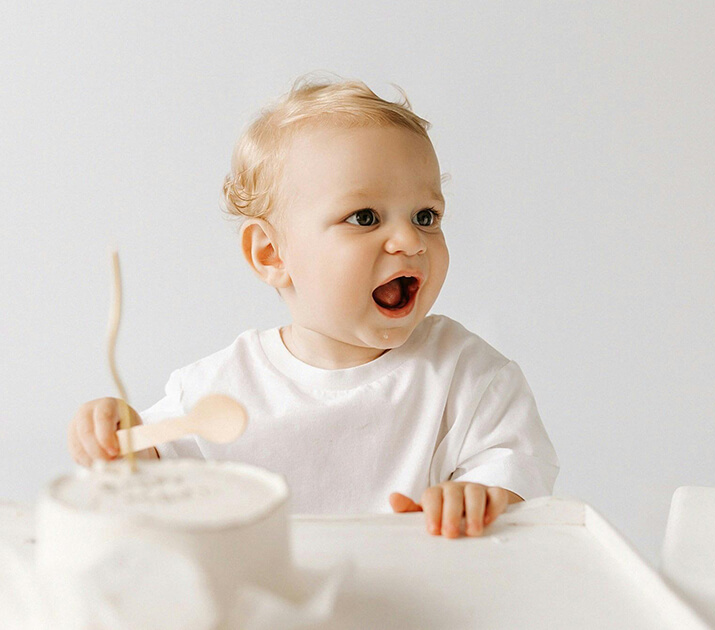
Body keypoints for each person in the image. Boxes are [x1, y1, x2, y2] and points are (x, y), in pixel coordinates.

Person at [67, 74, 558, 539]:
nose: (410, 240)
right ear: (272, 254)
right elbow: (148, 478)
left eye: (425, 215)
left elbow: (519, 471)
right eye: (365, 217)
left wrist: (483, 497)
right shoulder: (218, 393)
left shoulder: (467, 378)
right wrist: (117, 439)